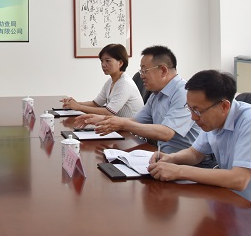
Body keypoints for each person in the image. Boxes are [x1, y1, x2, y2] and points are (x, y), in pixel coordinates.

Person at [148, 70, 251, 214]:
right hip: (234, 202)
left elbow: (239, 179)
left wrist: (179, 171)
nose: (193, 117)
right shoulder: (213, 120)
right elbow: (195, 153)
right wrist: (171, 159)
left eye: (198, 111)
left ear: (224, 106)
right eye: (190, 109)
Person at [75, 45, 203, 156]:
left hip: (189, 162)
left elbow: (166, 133)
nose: (141, 76)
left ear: (163, 71)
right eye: (141, 71)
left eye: (144, 70)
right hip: (164, 156)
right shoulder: (156, 94)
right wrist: (102, 119)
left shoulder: (183, 93)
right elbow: (135, 120)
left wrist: (122, 124)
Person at [60, 43, 143, 117]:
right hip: (117, 125)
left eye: (107, 61)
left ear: (120, 63)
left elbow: (108, 112)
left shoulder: (125, 83)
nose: (103, 65)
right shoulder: (110, 81)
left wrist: (79, 107)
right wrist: (75, 103)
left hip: (131, 129)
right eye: (102, 61)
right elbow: (95, 104)